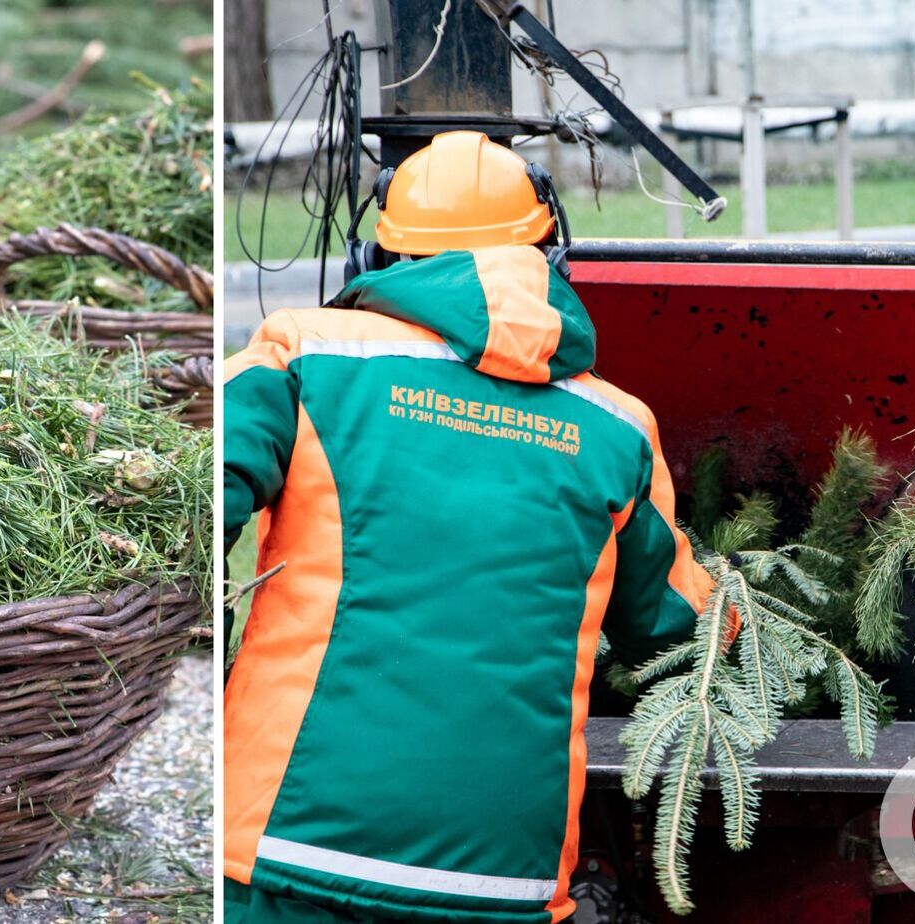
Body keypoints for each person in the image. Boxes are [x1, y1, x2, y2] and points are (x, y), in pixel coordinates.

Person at [220, 130, 719, 922]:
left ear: (377, 257)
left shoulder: (303, 356)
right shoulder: (619, 426)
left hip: (284, 845)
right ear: (550, 256)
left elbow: (184, 507)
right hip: (502, 881)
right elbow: (676, 626)